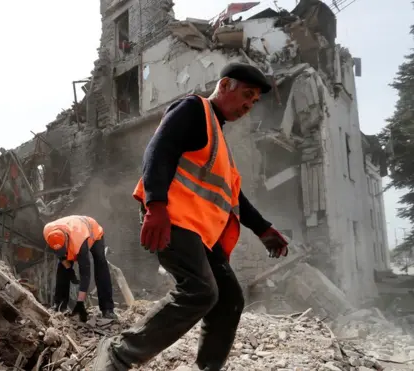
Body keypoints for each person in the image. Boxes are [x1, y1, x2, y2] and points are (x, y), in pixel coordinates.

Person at [92, 63, 291, 371]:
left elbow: (233, 198)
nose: (248, 106)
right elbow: (158, 150)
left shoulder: (219, 141)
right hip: (172, 219)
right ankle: (118, 355)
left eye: (254, 103)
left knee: (229, 300)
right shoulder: (193, 108)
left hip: (199, 234)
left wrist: (263, 229)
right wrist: (155, 205)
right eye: (246, 95)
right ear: (225, 85)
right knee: (200, 290)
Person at [43, 215, 117, 320]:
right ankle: (59, 305)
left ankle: (107, 309)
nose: (63, 253)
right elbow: (61, 256)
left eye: (64, 249)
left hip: (92, 231)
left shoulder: (79, 242)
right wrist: (69, 270)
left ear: (67, 240)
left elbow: (85, 273)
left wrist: (80, 302)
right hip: (71, 228)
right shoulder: (47, 232)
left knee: (100, 265)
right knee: (62, 269)